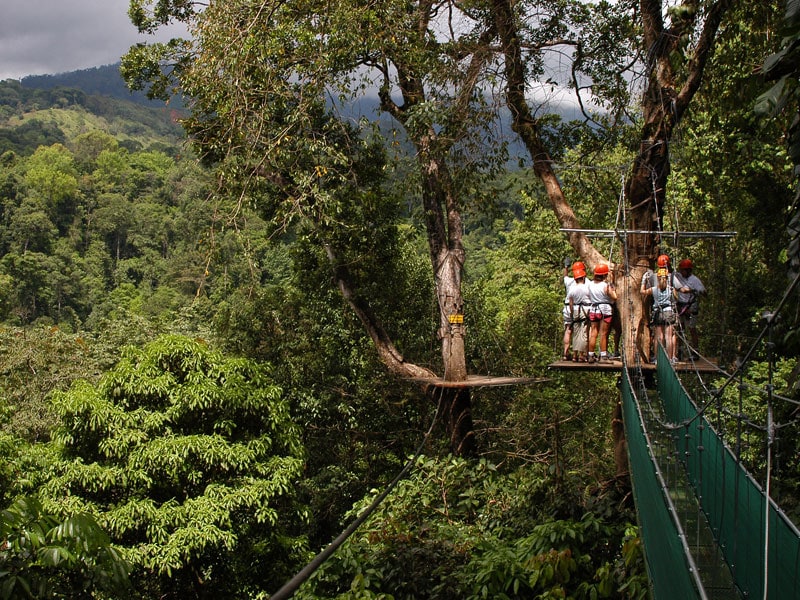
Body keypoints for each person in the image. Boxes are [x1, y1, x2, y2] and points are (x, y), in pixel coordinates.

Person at [640, 266, 677, 364]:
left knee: (658, 337)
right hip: (669, 312)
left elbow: (642, 292)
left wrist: (644, 281)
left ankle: (656, 358)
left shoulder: (654, 289)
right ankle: (670, 359)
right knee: (668, 337)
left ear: (658, 278)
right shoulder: (671, 289)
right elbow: (676, 298)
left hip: (658, 313)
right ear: (667, 278)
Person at [586, 262, 617, 363]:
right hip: (605, 309)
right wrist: (612, 287)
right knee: (603, 333)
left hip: (594, 309)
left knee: (593, 333)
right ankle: (603, 356)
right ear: (604, 275)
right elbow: (614, 297)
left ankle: (590, 355)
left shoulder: (590, 284)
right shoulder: (606, 286)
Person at [673, 258, 706, 350]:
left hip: (691, 306)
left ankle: (695, 349)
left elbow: (704, 292)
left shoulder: (695, 280)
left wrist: (698, 291)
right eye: (680, 270)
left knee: (692, 328)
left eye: (682, 270)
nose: (681, 272)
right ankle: (680, 349)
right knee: (680, 328)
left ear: (688, 270)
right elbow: (671, 274)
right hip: (681, 306)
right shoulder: (678, 276)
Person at [567, 261, 590, 362]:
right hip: (585, 309)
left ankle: (574, 355)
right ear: (583, 277)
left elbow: (570, 302)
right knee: (584, 332)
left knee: (576, 332)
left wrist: (572, 313)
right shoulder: (587, 288)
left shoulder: (572, 289)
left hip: (576, 309)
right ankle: (581, 355)